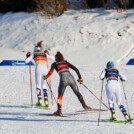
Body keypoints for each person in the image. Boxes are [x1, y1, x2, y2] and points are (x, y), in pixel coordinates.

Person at [43, 51, 91, 115]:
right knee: (77, 93)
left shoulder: (55, 64)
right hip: (71, 78)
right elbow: (76, 69)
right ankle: (84, 106)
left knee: (60, 95)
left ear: (56, 58)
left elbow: (50, 72)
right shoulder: (65, 62)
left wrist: (46, 77)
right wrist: (80, 78)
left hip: (63, 79)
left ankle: (59, 111)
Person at [25, 41, 55, 107]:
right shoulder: (44, 53)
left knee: (38, 84)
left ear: (35, 49)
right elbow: (54, 58)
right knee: (44, 85)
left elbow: (26, 61)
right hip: (45, 69)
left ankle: (40, 101)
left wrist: (28, 56)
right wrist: (48, 54)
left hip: (38, 68)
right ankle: (46, 101)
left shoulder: (34, 54)